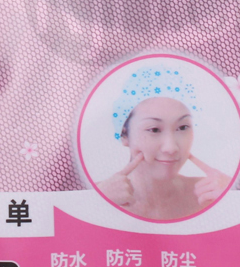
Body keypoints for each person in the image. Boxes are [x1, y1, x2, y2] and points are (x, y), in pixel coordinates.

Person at [97, 65, 231, 220]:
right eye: (154, 130)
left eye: (182, 127)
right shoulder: (93, 197)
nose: (171, 148)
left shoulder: (213, 194)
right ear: (124, 135)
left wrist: (235, 199)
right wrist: (95, 204)